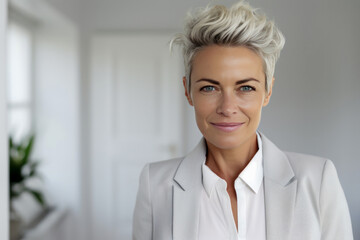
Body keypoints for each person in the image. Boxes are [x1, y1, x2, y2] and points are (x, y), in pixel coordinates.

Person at [132, 1, 353, 240]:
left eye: (245, 87)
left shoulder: (318, 180)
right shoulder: (155, 186)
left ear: (268, 91)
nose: (227, 108)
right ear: (188, 91)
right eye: (209, 88)